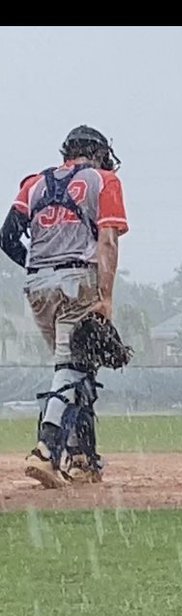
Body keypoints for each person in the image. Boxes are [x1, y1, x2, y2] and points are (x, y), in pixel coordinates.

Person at [0, 125, 128, 488]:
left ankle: (83, 458)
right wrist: (106, 297)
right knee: (72, 370)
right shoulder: (104, 181)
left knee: (75, 369)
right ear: (100, 153)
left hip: (38, 285)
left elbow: (7, 237)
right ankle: (46, 447)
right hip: (79, 282)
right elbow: (107, 243)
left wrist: (38, 266)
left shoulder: (34, 183)